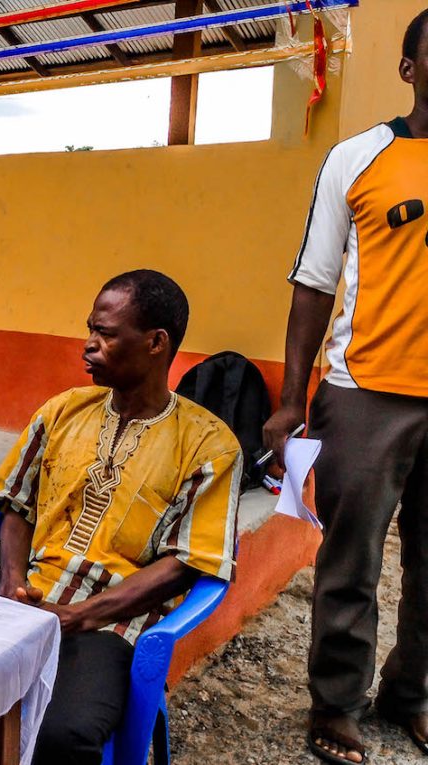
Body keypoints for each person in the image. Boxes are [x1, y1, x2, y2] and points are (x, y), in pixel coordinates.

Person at [0, 270, 241, 765]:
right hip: (27, 596)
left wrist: (77, 617)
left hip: (110, 626)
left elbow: (188, 564)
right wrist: (13, 586)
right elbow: (16, 505)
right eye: (90, 330)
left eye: (105, 334)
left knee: (61, 735)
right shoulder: (64, 411)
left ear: (155, 343)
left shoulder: (209, 444)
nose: (89, 345)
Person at [262, 10, 428, 764]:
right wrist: (293, 399)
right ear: (408, 68)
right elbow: (313, 282)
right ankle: (336, 702)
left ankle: (411, 692)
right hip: (368, 391)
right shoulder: (358, 158)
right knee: (353, 560)